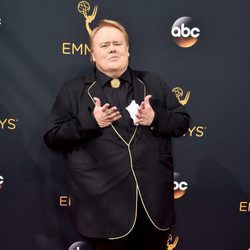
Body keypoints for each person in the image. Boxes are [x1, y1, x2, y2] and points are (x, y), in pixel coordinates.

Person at [44, 19, 190, 250]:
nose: (112, 48)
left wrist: (156, 119)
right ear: (92, 54)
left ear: (128, 50)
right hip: (104, 210)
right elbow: (53, 137)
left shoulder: (152, 82)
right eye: (104, 45)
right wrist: (90, 121)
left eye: (117, 43)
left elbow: (182, 122)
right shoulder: (73, 91)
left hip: (153, 208)